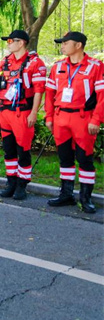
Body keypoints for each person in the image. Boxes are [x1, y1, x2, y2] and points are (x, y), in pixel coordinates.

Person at [45, 31, 103, 213]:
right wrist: (48, 117)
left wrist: (96, 119)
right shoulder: (58, 66)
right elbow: (49, 94)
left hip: (83, 118)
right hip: (60, 117)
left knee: (84, 159)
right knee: (64, 158)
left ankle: (86, 198)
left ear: (78, 45)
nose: (62, 46)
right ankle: (66, 194)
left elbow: (102, 96)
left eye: (65, 42)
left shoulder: (96, 66)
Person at [0, 30, 47, 200]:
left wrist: (33, 113)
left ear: (21, 42)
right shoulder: (5, 62)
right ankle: (11, 182)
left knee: (23, 150)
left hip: (22, 113)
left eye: (10, 40)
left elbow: (39, 91)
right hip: (5, 112)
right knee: (8, 150)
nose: (8, 43)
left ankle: (22, 184)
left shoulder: (35, 63)